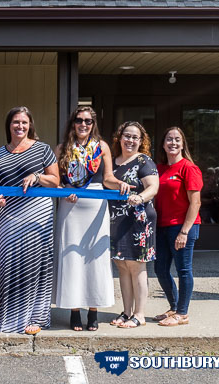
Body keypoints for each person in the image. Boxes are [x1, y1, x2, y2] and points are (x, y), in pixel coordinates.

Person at [0, 106, 60, 335]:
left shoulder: (43, 149)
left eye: (24, 122)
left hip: (37, 215)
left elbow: (55, 181)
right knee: (9, 265)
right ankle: (11, 317)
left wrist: (37, 176)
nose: (20, 126)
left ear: (30, 125)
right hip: (8, 217)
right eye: (15, 122)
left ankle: (35, 318)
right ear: (8, 126)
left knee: (35, 265)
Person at [54, 106, 124, 332]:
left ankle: (93, 310)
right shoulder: (62, 148)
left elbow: (108, 178)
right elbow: (55, 181)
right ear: (72, 123)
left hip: (95, 203)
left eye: (88, 121)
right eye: (79, 120)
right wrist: (64, 189)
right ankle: (74, 310)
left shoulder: (101, 147)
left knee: (94, 256)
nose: (83, 125)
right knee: (71, 257)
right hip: (70, 205)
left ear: (93, 124)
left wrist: (120, 184)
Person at [109, 121, 159, 329]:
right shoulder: (112, 162)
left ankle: (140, 314)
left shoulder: (143, 160)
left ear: (141, 141)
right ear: (119, 138)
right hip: (117, 220)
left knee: (136, 266)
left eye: (135, 137)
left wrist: (140, 197)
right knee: (122, 265)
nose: (130, 140)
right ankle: (126, 311)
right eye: (127, 136)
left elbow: (153, 187)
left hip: (139, 220)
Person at [154, 126, 203, 327]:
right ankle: (174, 307)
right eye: (169, 139)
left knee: (183, 270)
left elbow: (196, 203)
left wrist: (184, 231)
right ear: (163, 144)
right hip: (162, 226)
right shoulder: (159, 168)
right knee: (160, 269)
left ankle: (182, 313)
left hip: (182, 227)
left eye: (177, 140)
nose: (172, 143)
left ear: (183, 144)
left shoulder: (189, 168)